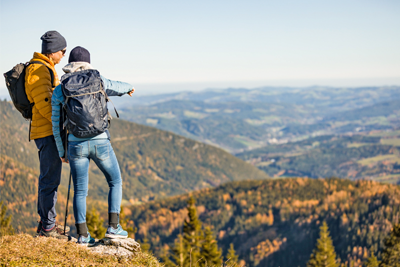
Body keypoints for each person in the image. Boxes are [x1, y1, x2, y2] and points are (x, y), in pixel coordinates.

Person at [51, 46, 135, 245]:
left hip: (75, 146)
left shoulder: (60, 89)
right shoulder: (98, 79)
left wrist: (63, 152)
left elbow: (56, 124)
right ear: (88, 62)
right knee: (115, 181)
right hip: (100, 141)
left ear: (69, 64)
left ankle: (82, 235)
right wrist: (129, 88)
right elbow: (120, 85)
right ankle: (114, 227)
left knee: (80, 191)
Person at [25, 30, 69, 239]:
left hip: (46, 131)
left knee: (49, 179)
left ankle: (47, 223)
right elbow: (44, 104)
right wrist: (61, 121)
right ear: (52, 51)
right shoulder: (39, 70)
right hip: (46, 131)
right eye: (62, 51)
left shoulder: (45, 68)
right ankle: (48, 227)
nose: (63, 55)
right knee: (49, 180)